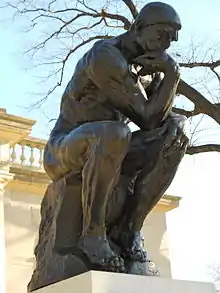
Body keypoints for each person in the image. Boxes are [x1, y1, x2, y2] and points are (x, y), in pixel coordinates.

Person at [43, 1, 188, 272]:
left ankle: (128, 230)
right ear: (138, 27)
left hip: (112, 147)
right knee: (114, 132)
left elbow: (160, 121)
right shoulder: (105, 56)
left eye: (171, 39)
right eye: (161, 35)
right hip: (64, 149)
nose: (165, 46)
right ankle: (93, 235)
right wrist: (173, 74)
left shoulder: (151, 67)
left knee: (176, 134)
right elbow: (147, 117)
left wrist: (175, 116)